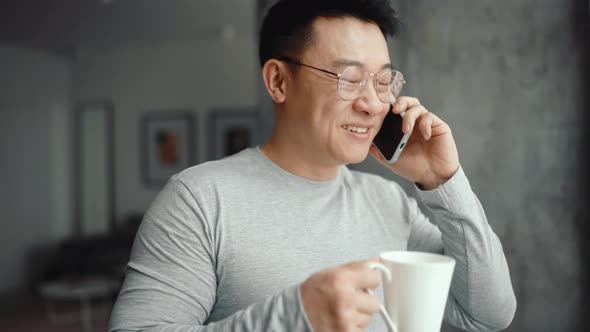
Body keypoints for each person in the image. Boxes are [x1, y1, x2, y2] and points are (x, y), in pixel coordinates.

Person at [109, 0, 517, 331]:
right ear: (278, 82)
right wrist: (295, 317)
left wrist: (443, 181)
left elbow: (488, 313)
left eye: (382, 81)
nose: (373, 103)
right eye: (349, 78)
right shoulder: (198, 201)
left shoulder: (390, 202)